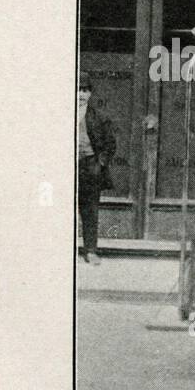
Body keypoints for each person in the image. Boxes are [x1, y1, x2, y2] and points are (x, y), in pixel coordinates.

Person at [77, 76, 116, 265]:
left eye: (85, 90)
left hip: (90, 168)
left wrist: (99, 164)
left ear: (90, 94)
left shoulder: (99, 117)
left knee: (90, 210)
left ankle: (90, 250)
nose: (81, 94)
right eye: (78, 89)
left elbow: (110, 145)